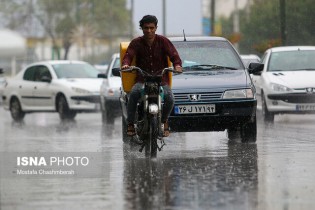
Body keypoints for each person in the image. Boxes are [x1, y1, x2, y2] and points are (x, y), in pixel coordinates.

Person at [122, 15, 182, 137]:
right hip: (142, 80)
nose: (149, 30)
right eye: (146, 28)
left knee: (170, 98)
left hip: (161, 80)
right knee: (133, 94)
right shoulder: (136, 42)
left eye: (151, 28)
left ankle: (164, 121)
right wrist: (125, 65)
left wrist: (177, 65)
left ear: (156, 28)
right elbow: (128, 56)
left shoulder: (163, 41)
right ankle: (130, 124)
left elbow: (174, 56)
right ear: (142, 28)